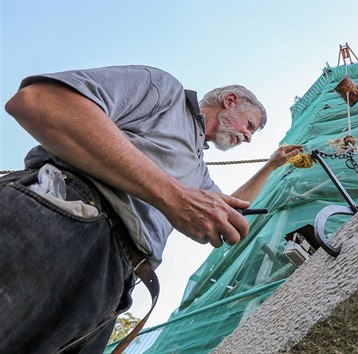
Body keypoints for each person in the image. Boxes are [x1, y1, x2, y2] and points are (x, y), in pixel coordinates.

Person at [0, 65, 302, 352]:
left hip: (116, 280)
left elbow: (229, 210)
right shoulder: (165, 92)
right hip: (65, 220)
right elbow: (39, 101)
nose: (248, 137)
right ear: (230, 101)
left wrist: (272, 166)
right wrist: (173, 196)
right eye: (249, 125)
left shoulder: (198, 170)